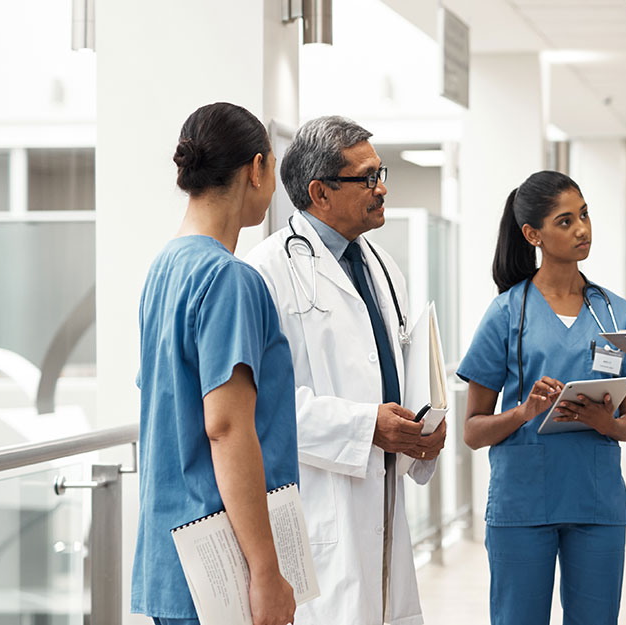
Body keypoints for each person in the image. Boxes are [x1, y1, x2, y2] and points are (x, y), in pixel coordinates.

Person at [244, 115, 446, 625]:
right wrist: (364, 426)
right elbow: (261, 406)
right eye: (367, 178)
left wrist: (422, 430)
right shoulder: (267, 271)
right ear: (320, 192)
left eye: (382, 174)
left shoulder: (381, 266)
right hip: (319, 505)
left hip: (382, 494)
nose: (382, 189)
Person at [131, 102, 297, 625]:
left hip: (171, 556)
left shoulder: (165, 269)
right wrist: (267, 571)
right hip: (222, 565)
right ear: (257, 169)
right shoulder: (229, 279)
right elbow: (226, 428)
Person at [457, 171, 626, 625]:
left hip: (595, 503)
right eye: (565, 221)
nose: (582, 229)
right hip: (522, 505)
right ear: (533, 235)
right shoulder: (507, 312)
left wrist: (608, 424)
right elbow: (472, 431)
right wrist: (524, 411)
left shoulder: (615, 312)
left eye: (584, 215)